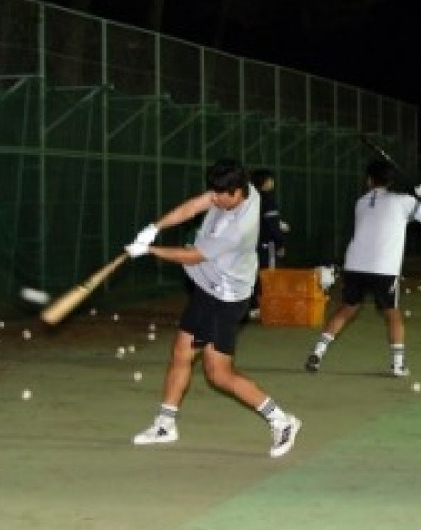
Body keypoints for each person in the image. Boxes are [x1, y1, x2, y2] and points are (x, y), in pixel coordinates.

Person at [124, 158, 301, 458]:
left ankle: (281, 421)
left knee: (218, 374)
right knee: (181, 351)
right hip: (207, 289)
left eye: (221, 195)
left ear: (238, 193)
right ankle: (165, 424)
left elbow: (194, 257)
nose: (214, 199)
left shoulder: (238, 229)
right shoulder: (237, 190)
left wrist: (150, 250)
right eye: (213, 192)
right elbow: (193, 206)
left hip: (226, 298)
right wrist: (154, 227)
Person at [304, 161, 421, 377]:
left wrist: (418, 200)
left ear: (369, 181)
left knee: (346, 309)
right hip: (383, 268)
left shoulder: (361, 202)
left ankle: (317, 353)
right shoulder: (403, 201)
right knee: (392, 314)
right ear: (391, 181)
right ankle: (397, 364)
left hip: (355, 265)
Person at [247, 169, 288, 321]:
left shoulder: (249, 198)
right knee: (267, 276)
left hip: (249, 244)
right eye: (271, 180)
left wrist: (279, 224)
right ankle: (265, 308)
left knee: (251, 275)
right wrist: (280, 243)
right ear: (264, 182)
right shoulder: (268, 199)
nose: (272, 182)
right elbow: (271, 224)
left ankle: (252, 307)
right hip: (265, 244)